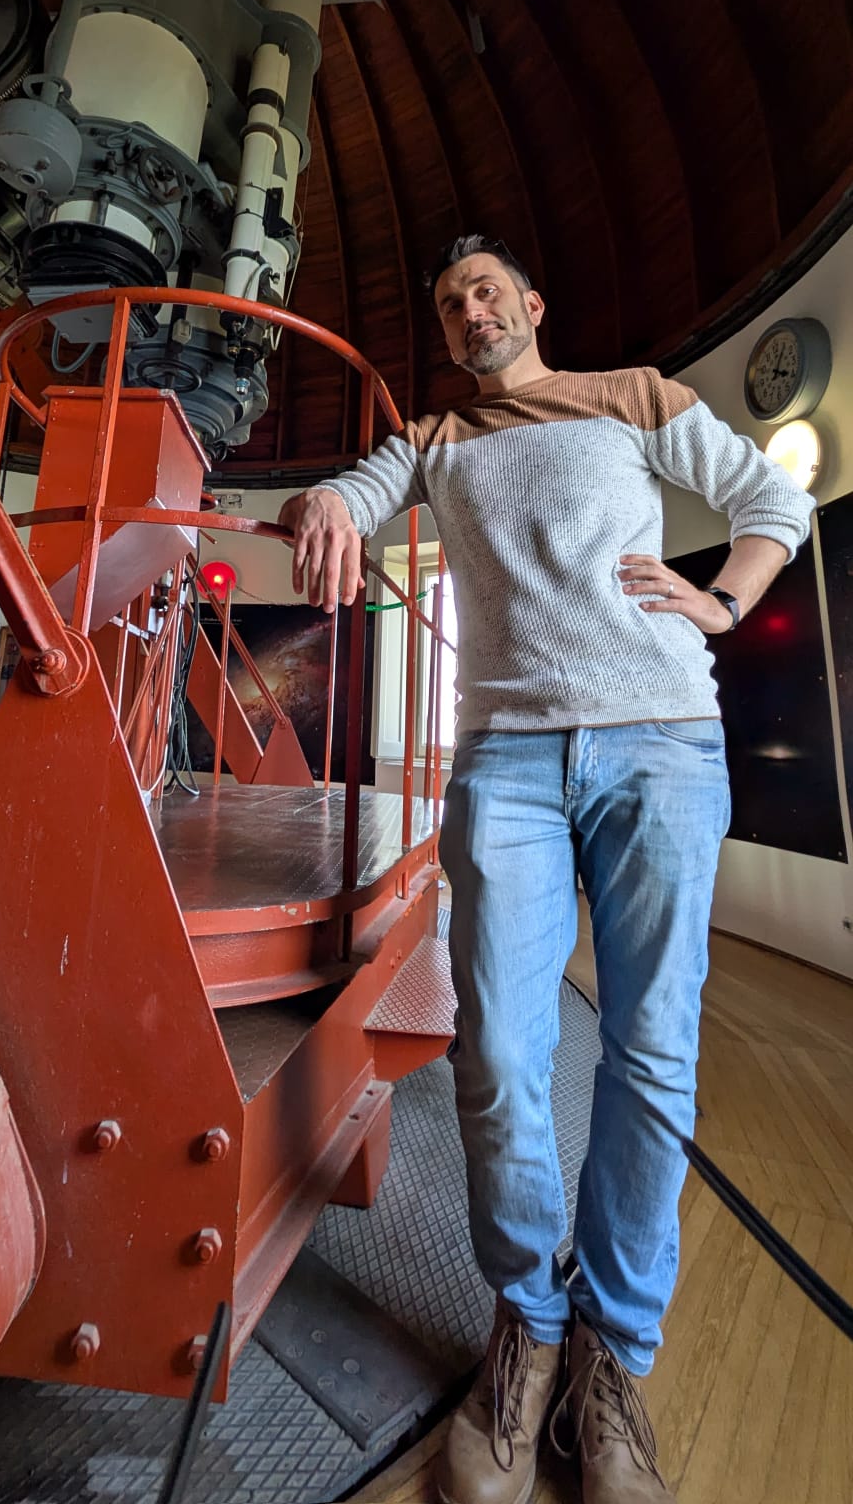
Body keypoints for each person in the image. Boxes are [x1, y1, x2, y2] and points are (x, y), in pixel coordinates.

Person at [278, 236, 814, 1504]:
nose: (468, 313)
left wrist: (723, 604)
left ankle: (613, 1358)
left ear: (531, 303)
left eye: (485, 292)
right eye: (450, 304)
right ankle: (529, 1324)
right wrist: (320, 507)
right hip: (507, 765)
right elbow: (350, 497)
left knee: (650, 1051)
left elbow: (776, 504)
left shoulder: (630, 394)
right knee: (505, 1056)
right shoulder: (435, 439)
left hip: (661, 744)